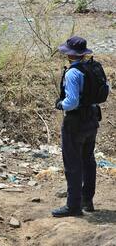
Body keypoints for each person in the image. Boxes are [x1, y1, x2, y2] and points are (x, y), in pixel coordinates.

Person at [52, 36, 103, 217]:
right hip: (92, 119)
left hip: (75, 123)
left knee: (73, 164)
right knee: (88, 161)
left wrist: (60, 104)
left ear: (70, 55)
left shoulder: (73, 73)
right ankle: (86, 201)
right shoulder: (93, 68)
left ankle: (73, 206)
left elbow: (72, 102)